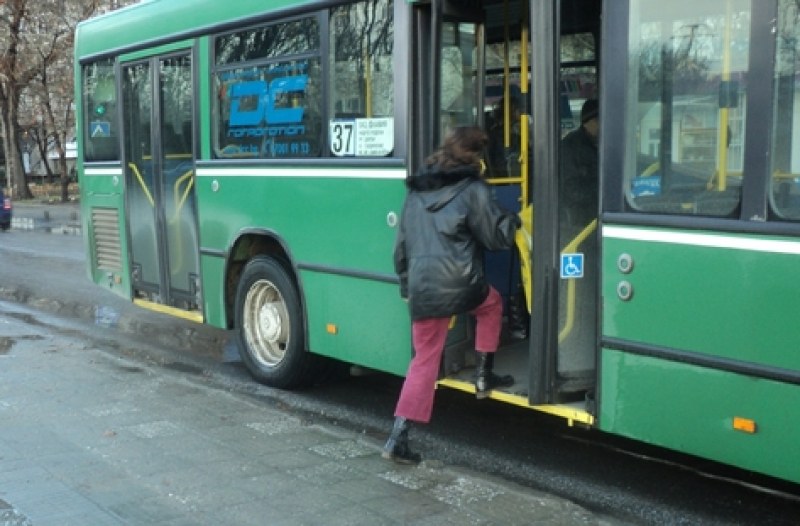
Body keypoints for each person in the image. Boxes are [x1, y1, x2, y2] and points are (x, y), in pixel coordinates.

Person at [384, 126, 521, 464]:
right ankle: (482, 375)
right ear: (474, 156)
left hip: (424, 287)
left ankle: (399, 434)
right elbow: (494, 238)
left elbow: (400, 247)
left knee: (425, 359)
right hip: (462, 284)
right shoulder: (472, 188)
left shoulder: (415, 192)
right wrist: (513, 221)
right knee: (491, 304)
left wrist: (406, 286)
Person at [560, 98, 599, 229]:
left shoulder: (599, 143)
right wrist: (601, 192)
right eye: (598, 121)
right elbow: (571, 190)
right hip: (581, 218)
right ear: (589, 122)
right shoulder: (570, 146)